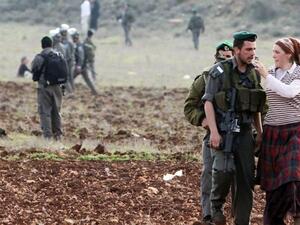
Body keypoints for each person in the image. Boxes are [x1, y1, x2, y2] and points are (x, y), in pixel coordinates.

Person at [202, 31, 266, 225]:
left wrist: (260, 133)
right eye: (248, 49)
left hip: (245, 132)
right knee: (222, 172)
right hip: (223, 130)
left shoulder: (254, 73)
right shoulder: (219, 72)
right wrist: (213, 132)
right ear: (236, 50)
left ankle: (242, 221)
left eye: (254, 49)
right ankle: (216, 208)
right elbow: (208, 102)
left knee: (246, 179)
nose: (252, 53)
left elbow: (256, 105)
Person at [184, 40, 233, 225]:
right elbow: (189, 107)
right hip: (213, 133)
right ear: (216, 58)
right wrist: (202, 120)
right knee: (209, 174)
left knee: (237, 176)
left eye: (230, 57)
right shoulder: (205, 78)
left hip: (237, 134)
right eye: (223, 58)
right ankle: (208, 215)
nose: (226, 60)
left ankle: (237, 215)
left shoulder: (245, 76)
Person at [254, 37, 300, 225]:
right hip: (273, 132)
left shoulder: (298, 73)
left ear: (289, 54)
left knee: (292, 175)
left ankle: (295, 211)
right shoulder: (272, 73)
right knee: (274, 183)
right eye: (272, 52)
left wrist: (267, 76)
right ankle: (275, 217)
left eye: (277, 52)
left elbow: (289, 92)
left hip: (294, 130)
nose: (273, 56)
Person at [31, 36, 67, 140]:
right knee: (56, 112)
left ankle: (47, 137)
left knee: (45, 112)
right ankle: (58, 136)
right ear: (51, 44)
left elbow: (33, 68)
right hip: (58, 87)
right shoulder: (59, 55)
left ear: (42, 45)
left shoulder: (40, 56)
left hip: (44, 87)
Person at [70, 30, 98, 95]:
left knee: (70, 79)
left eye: (72, 37)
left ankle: (71, 92)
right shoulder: (80, 44)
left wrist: (79, 66)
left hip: (79, 67)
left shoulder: (79, 46)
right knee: (88, 80)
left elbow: (81, 57)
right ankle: (94, 92)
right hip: (84, 67)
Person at [60, 24, 75, 92]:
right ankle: (71, 90)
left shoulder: (68, 41)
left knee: (68, 77)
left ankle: (71, 91)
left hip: (68, 61)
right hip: (67, 61)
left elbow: (70, 53)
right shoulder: (64, 40)